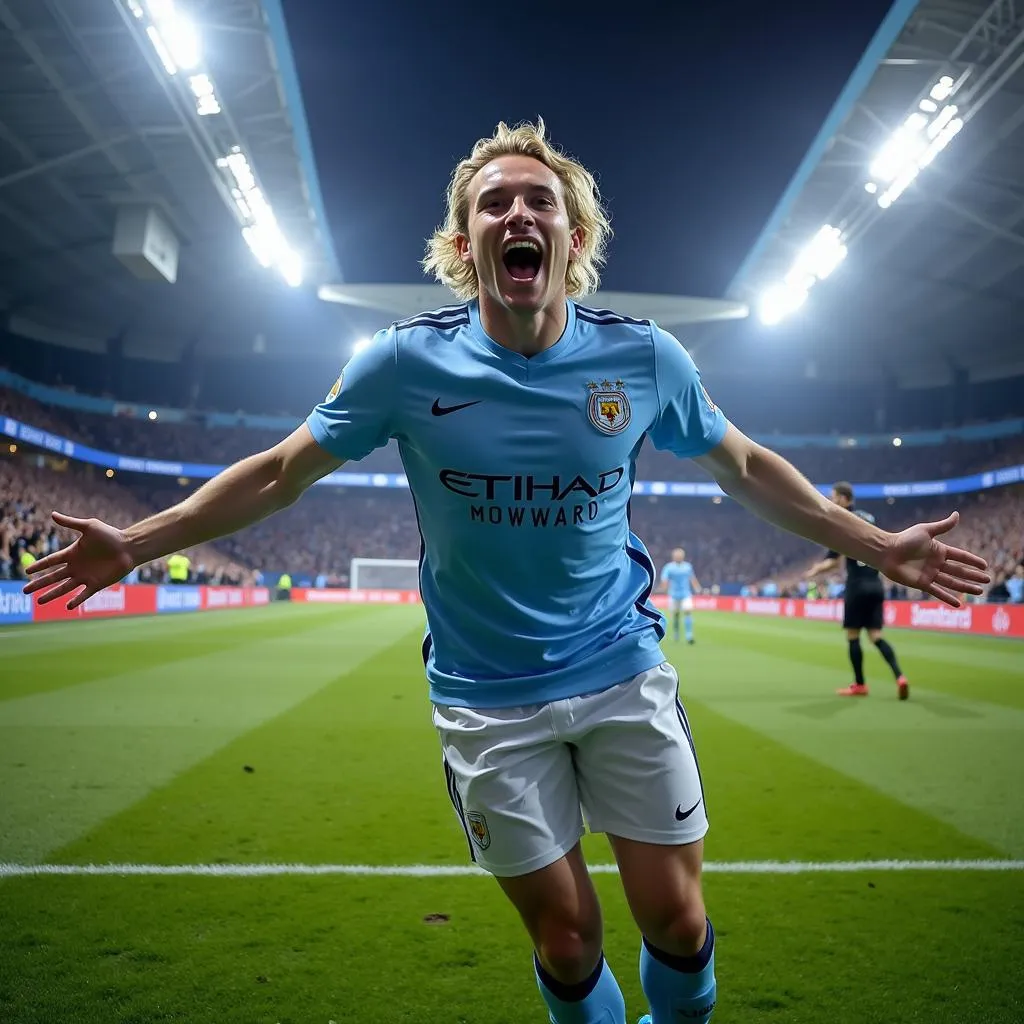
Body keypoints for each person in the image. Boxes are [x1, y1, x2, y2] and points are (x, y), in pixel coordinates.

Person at [23, 120, 990, 1024]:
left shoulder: (643, 358)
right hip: (485, 701)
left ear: (574, 237)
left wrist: (872, 543)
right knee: (569, 944)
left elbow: (741, 466)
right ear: (462, 240)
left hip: (619, 670)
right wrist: (140, 541)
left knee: (681, 926)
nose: (517, 214)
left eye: (539, 202)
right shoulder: (404, 363)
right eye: (494, 204)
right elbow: (280, 472)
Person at [806, 482, 910, 700]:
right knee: (876, 636)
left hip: (856, 585)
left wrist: (815, 569)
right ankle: (900, 676)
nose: (832, 501)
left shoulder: (843, 522)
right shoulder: (869, 519)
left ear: (844, 499)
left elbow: (833, 562)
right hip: (876, 584)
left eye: (834, 497)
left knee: (853, 635)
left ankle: (860, 684)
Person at [660, 547, 701, 643]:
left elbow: (692, 578)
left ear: (683, 556)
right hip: (674, 594)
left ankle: (689, 636)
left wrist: (697, 587)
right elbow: (665, 579)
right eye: (677, 555)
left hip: (686, 594)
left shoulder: (687, 566)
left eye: (680, 555)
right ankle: (676, 634)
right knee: (676, 615)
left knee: (687, 611)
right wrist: (663, 588)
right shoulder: (669, 567)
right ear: (673, 556)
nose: (678, 557)